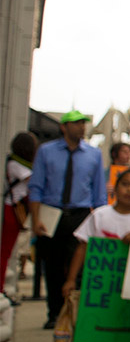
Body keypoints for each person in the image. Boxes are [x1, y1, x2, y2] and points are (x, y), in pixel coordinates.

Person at [62, 165, 130, 342]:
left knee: (126, 326)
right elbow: (82, 247)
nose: (129, 190)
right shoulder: (99, 215)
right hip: (101, 287)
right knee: (102, 330)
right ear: (115, 187)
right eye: (125, 184)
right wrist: (70, 279)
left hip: (129, 285)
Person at [28, 110, 107, 329]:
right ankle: (54, 313)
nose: (81, 127)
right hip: (51, 213)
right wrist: (35, 219)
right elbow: (36, 187)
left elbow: (99, 193)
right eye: (76, 123)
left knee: (78, 267)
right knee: (52, 266)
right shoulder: (46, 152)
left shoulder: (93, 154)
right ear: (64, 127)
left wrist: (100, 222)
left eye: (83, 123)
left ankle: (73, 312)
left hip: (80, 215)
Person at [2, 132, 38, 304]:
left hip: (16, 211)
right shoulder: (16, 164)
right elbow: (35, 181)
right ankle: (1, 288)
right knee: (5, 252)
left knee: (9, 252)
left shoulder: (17, 163)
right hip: (13, 210)